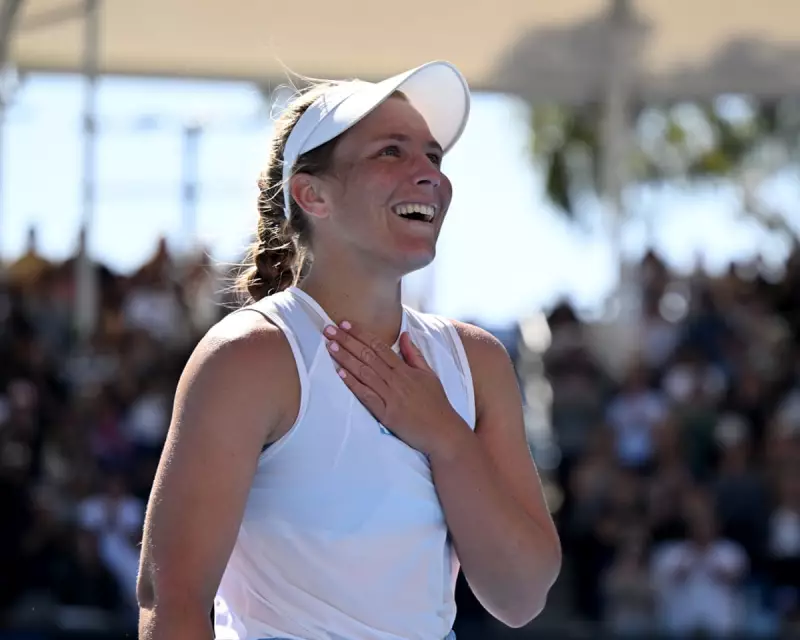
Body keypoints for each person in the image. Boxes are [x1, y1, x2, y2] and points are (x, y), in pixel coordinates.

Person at [135, 60, 561, 640]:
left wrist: (445, 436)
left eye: (434, 156)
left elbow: (522, 596)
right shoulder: (248, 358)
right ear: (311, 194)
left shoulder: (477, 362)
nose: (429, 174)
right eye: (392, 152)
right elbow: (173, 602)